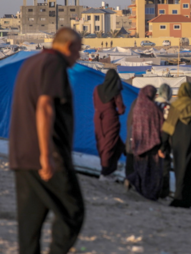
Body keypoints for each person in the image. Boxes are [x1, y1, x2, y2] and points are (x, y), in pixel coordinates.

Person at [9, 28, 85, 254]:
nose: (78, 57)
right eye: (78, 51)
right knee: (73, 212)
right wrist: (46, 155)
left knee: (30, 222)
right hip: (48, 155)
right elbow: (44, 107)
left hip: (22, 155)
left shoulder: (32, 62)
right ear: (69, 47)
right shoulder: (54, 64)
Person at [161, 82, 191, 208]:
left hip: (178, 146)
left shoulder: (175, 106)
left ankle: (179, 198)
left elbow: (168, 128)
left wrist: (163, 146)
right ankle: (190, 199)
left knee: (180, 172)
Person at [125, 85, 165, 201]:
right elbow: (161, 124)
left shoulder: (136, 106)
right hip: (151, 144)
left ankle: (135, 185)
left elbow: (130, 122)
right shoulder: (153, 107)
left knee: (139, 168)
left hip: (137, 143)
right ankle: (149, 193)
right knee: (151, 171)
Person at [93, 69, 125, 181]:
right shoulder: (115, 91)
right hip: (110, 120)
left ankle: (109, 169)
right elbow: (121, 110)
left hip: (98, 119)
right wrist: (113, 112)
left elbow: (95, 104)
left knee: (104, 143)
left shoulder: (97, 89)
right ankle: (106, 171)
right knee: (110, 145)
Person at [155, 83, 173, 198]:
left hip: (151, 141)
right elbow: (168, 128)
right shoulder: (169, 108)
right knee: (164, 169)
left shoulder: (152, 104)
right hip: (164, 142)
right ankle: (163, 193)